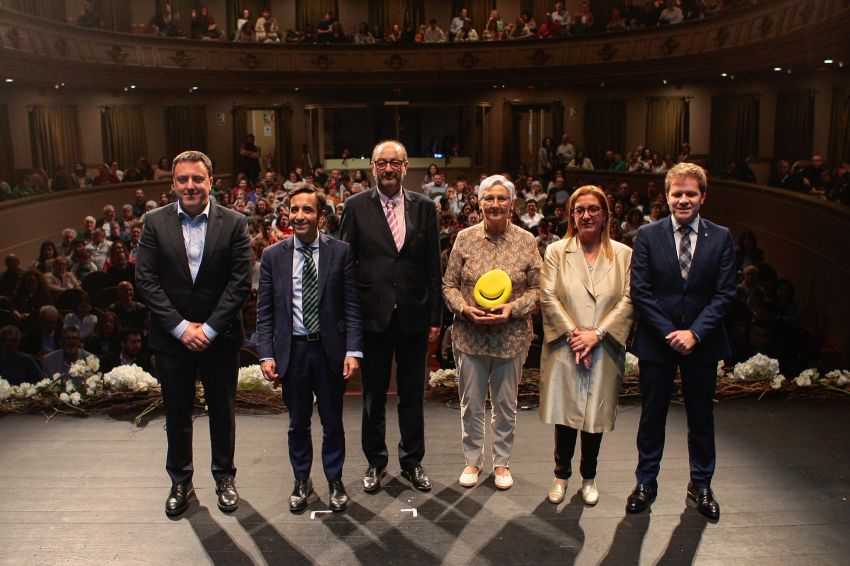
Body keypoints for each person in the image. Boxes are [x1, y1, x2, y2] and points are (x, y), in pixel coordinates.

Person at [136, 150, 252, 518]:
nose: (190, 185)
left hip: (221, 337)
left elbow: (239, 282)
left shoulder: (235, 223)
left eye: (197, 179)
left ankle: (224, 478)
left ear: (211, 182)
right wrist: (183, 327)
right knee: (178, 413)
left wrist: (211, 327)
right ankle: (180, 481)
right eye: (183, 179)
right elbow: (146, 281)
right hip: (173, 338)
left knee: (223, 412)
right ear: (173, 184)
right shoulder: (153, 222)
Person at [627, 163, 736, 522]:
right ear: (667, 196)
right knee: (652, 417)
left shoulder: (720, 236)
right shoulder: (647, 235)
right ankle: (646, 483)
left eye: (691, 193)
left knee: (702, 418)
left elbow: (725, 293)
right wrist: (670, 333)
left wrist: (695, 333)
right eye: (677, 194)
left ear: (703, 196)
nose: (684, 200)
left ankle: (701, 485)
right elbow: (640, 291)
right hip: (658, 342)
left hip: (702, 343)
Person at [340, 140, 442, 493]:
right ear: (372, 167)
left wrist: (435, 318)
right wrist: (350, 321)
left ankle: (412, 462)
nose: (388, 169)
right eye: (381, 163)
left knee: (413, 395)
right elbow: (346, 268)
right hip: (372, 317)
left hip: (414, 316)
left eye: (394, 163)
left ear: (406, 166)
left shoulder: (425, 207)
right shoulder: (355, 207)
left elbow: (433, 266)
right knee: (373, 396)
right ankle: (375, 462)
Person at [257, 186, 363, 514]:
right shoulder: (273, 256)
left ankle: (335, 481)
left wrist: (353, 351)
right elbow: (265, 311)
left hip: (329, 352)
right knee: (297, 423)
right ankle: (301, 481)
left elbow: (352, 307)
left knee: (333, 424)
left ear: (320, 216)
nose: (299, 216)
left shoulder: (341, 252)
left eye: (307, 210)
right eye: (294, 209)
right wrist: (266, 353)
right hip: (293, 353)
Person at [442, 175, 540, 490]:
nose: (494, 204)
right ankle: (472, 460)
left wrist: (515, 309)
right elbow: (448, 285)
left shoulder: (527, 240)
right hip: (470, 336)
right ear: (479, 202)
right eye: (489, 198)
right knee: (470, 403)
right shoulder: (464, 239)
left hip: (510, 337)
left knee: (505, 404)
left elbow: (539, 290)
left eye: (501, 199)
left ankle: (501, 464)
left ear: (512, 203)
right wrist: (463, 309)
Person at [539, 186, 633, 505]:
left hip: (604, 348)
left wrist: (597, 334)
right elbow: (548, 296)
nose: (586, 215)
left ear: (605, 214)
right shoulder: (556, 251)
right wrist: (576, 335)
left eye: (593, 209)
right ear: (572, 216)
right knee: (566, 414)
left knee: (595, 415)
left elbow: (629, 299)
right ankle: (560, 475)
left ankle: (589, 477)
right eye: (580, 210)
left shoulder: (623, 254)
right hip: (566, 346)